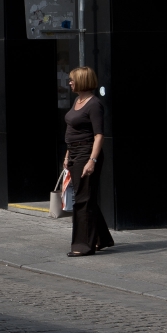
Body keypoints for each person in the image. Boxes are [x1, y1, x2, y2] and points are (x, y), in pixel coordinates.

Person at [63, 66, 114, 257]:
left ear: (83, 80)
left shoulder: (94, 105)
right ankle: (103, 238)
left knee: (82, 200)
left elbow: (99, 135)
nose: (70, 82)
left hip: (87, 154)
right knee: (86, 198)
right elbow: (73, 132)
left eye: (72, 79)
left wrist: (92, 160)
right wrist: (67, 155)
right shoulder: (78, 100)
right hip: (75, 153)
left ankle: (83, 245)